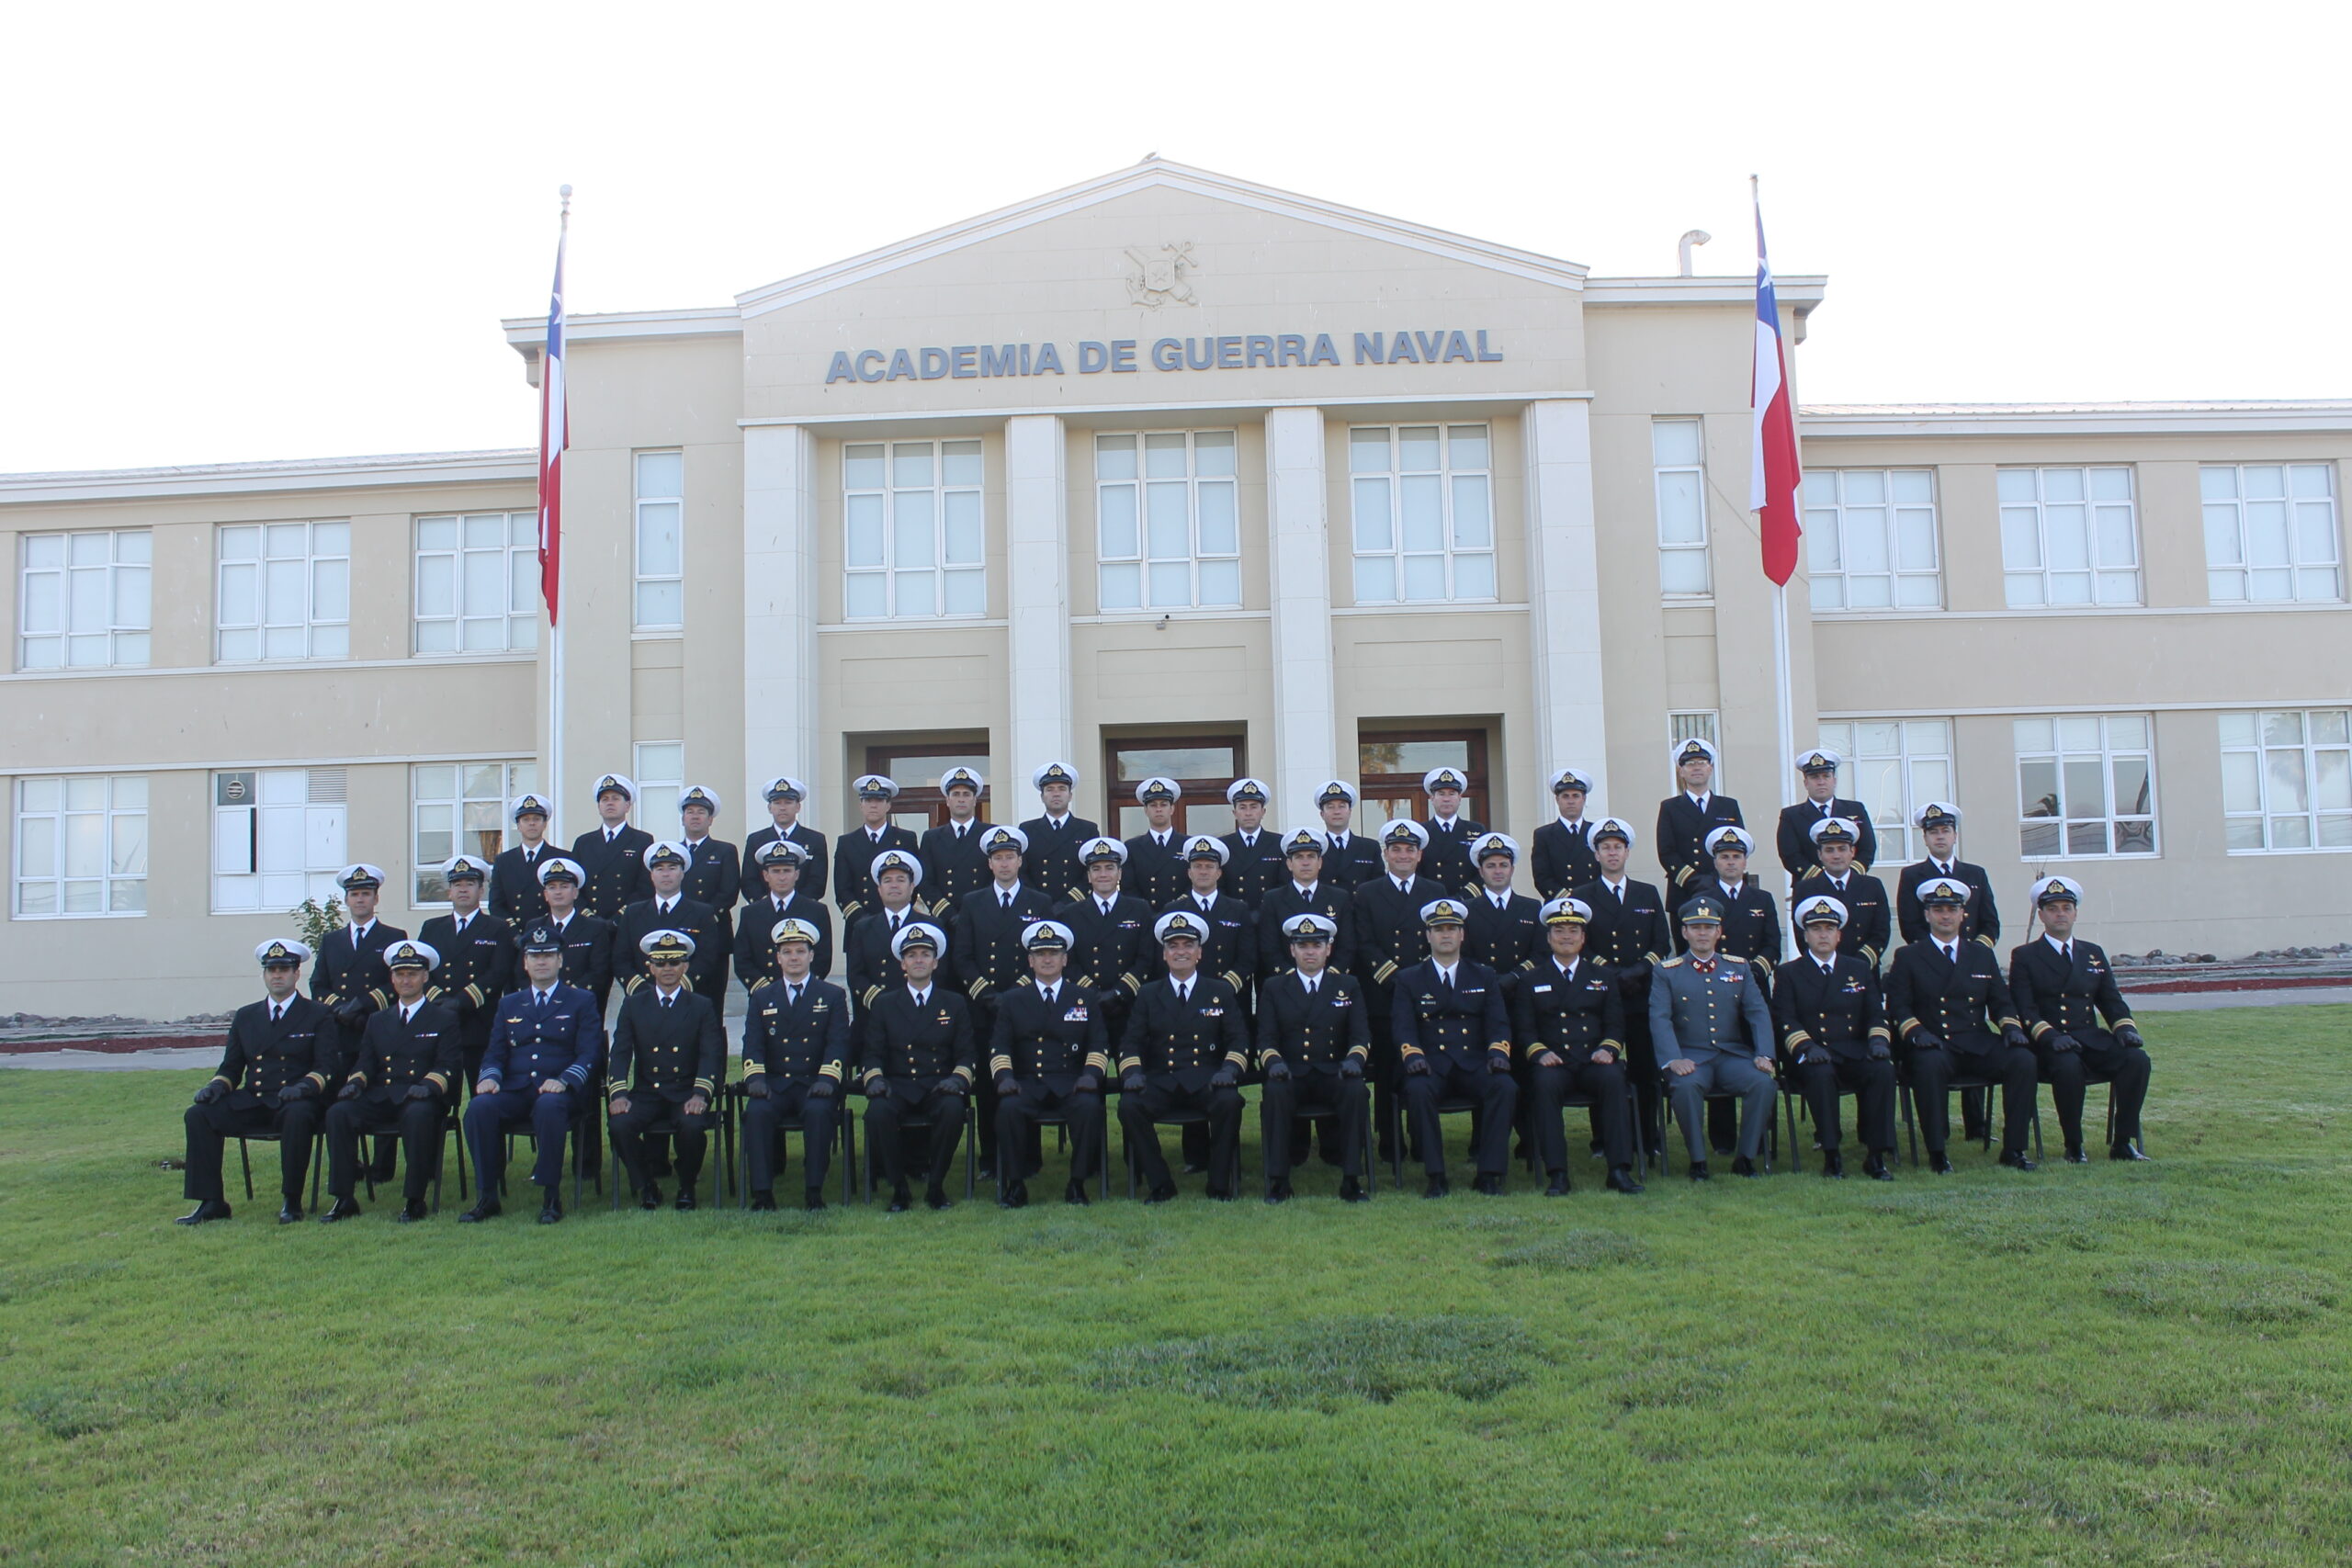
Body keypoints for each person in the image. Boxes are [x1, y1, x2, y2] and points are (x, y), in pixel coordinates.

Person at [1884, 876, 2040, 1172]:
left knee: (2023, 1060)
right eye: (1938, 909)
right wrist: (1916, 1033)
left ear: (1962, 914)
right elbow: (1899, 1007)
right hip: (1934, 1042)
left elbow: (1999, 1002)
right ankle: (1937, 1152)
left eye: (1952, 910)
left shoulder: (1981, 954)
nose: (1945, 916)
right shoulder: (1908, 956)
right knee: (1928, 1065)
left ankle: (2014, 1148)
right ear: (1927, 914)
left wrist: (2011, 1028)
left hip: (1975, 1040)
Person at [178, 939, 334, 1225]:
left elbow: (326, 1067)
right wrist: (217, 1085)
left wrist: (304, 1086)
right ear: (264, 974)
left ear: (297, 974)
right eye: (272, 969)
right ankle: (211, 1202)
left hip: (296, 1098)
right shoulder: (247, 1016)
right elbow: (232, 1066)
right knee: (199, 1115)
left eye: (284, 970)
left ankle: (291, 1200)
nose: (277, 975)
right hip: (256, 1097)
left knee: (298, 1115)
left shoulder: (318, 1014)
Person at [459, 922, 604, 1224]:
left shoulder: (581, 1000)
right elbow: (496, 1051)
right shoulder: (509, 1003)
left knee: (549, 1107)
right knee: (479, 1108)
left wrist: (564, 1080)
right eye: (534, 956)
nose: (541, 961)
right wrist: (490, 1077)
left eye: (548, 955)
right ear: (524, 962)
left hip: (560, 1092)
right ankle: (487, 1196)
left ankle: (551, 1197)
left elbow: (589, 1052)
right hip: (516, 1090)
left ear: (560, 961)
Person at [2007, 876, 2153, 1163]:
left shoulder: (2092, 953)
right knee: (2068, 1066)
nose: (2060, 913)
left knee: (2137, 1060)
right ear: (2041, 915)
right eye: (2053, 909)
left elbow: (2111, 1000)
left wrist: (2125, 1028)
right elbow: (2025, 1008)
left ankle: (2123, 1142)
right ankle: (2074, 1145)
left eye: (2066, 907)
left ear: (2075, 913)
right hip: (2049, 1042)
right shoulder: (2025, 956)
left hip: (2089, 1037)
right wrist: (2049, 1037)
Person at [320, 940, 458, 1223]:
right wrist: (356, 1083)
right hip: (383, 1095)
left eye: (412, 974)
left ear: (425, 977)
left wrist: (430, 1086)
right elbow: (366, 1062)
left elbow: (448, 1065)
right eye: (400, 974)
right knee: (338, 1113)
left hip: (421, 1096)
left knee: (418, 1115)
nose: (405, 980)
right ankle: (344, 1198)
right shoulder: (378, 1019)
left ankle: (414, 1199)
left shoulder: (443, 1018)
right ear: (392, 978)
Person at [1512, 898, 1643, 1197]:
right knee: (1543, 1087)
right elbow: (1525, 1028)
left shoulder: (1603, 977)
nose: (1566, 937)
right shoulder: (1531, 978)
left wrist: (1609, 1049)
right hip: (1553, 1061)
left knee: (1613, 1079)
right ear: (1548, 938)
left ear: (1583, 938)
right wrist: (1538, 1052)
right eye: (1560, 931)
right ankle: (1557, 1173)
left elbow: (1615, 1024)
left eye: (1573, 931)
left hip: (1592, 1059)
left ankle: (1619, 1170)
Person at [1115, 911, 1249, 1201]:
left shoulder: (1220, 991)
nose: (1181, 952)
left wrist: (1229, 1069)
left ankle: (1218, 1184)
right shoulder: (1149, 993)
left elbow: (1238, 1038)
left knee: (1229, 1102)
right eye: (1173, 946)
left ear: (1199, 952)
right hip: (1162, 1080)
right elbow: (1131, 1041)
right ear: (1164, 954)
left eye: (1188, 945)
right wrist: (1132, 1073)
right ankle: (1160, 1183)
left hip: (1206, 1079)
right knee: (1129, 1106)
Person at [1894, 801, 2005, 1142]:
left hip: (1971, 968)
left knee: (1972, 1031)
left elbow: (1990, 922)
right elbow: (1911, 925)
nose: (1939, 836)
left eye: (1945, 830)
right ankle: (1937, 1132)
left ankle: (1977, 1126)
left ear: (1955, 835)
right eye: (1933, 832)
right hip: (1929, 966)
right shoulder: (1912, 876)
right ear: (1924, 839)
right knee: (1940, 1047)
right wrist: (1936, 955)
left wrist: (1973, 956)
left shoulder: (1975, 874)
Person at [1391, 897, 1517, 1196]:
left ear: (1462, 935)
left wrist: (1498, 1052)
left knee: (1506, 1087)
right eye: (1439, 929)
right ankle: (1436, 1175)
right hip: (1431, 1064)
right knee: (1418, 1091)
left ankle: (1488, 1173)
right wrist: (1413, 1055)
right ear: (1427, 936)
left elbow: (1497, 1022)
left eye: (1452, 929)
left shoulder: (1483, 975)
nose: (1445, 935)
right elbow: (1403, 1025)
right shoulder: (1409, 978)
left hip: (1474, 1063)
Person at [1649, 897, 1778, 1180]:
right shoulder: (1666, 972)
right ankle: (1698, 1161)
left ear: (1719, 932)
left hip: (1731, 1056)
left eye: (1709, 927)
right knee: (1684, 1088)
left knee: (1762, 1084)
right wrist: (1672, 1059)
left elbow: (1757, 1012)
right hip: (1691, 1057)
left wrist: (1765, 1054)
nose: (1703, 933)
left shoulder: (1739, 968)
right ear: (1684, 933)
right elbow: (1659, 1019)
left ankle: (1745, 1158)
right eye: (1696, 928)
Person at [954, 823, 1051, 1179]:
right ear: (989, 865)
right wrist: (985, 992)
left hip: (1026, 1005)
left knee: (1029, 1076)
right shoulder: (973, 902)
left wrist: (1018, 991)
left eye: (1010, 856)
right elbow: (962, 956)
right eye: (998, 858)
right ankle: (990, 1158)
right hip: (984, 1008)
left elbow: (1045, 953)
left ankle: (1030, 1157)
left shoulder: (1040, 902)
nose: (1005, 863)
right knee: (989, 1087)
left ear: (1020, 861)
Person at [988, 919, 1109, 1207]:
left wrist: (1092, 1074)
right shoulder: (1012, 1000)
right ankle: (1016, 1184)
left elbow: (1099, 1043)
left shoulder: (1085, 998)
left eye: (1053, 954)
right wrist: (1004, 1078)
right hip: (1028, 1082)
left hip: (1070, 1082)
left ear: (1065, 959)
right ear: (1030, 960)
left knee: (1090, 1107)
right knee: (1007, 1109)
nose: (1047, 959)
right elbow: (999, 1046)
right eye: (1040, 954)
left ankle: (1077, 1183)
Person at [1775, 896, 1897, 1180]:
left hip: (1852, 1050)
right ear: (1805, 935)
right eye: (1816, 929)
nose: (1823, 935)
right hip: (1812, 1055)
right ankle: (1832, 1154)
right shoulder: (1789, 973)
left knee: (1882, 1070)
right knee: (1821, 1074)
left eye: (1829, 929)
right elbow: (1784, 1018)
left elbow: (1875, 1014)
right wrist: (1805, 1046)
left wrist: (1879, 1041)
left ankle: (1876, 1154)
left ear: (1839, 934)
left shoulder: (1857, 969)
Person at [1253, 913, 1373, 1202]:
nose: (1310, 952)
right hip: (1291, 1072)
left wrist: (1355, 1061)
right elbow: (1266, 1039)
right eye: (1303, 946)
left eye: (1316, 945)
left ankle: (1351, 1179)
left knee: (1356, 1091)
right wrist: (1273, 1063)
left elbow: (1361, 1037)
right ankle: (1279, 1181)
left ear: (1328, 949)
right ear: (1292, 950)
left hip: (1334, 1071)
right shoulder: (1274, 987)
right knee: (1275, 1092)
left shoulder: (1348, 985)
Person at [858, 922, 976, 1212]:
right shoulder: (885, 1004)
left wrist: (958, 1081)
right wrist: (874, 1080)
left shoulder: (954, 1002)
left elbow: (966, 1053)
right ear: (902, 964)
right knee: (877, 1112)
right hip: (897, 1085)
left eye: (925, 954)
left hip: (938, 1084)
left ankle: (935, 1186)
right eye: (912, 955)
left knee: (952, 1109)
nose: (919, 960)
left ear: (936, 962)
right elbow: (871, 1054)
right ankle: (899, 1188)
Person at [1573, 818, 1672, 1159]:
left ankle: (1650, 1136)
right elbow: (1578, 945)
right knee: (1602, 1068)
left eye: (1618, 847)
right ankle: (1602, 1138)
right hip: (1600, 993)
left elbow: (1662, 942)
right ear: (1596, 854)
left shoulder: (1647, 893)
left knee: (1646, 1070)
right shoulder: (1582, 896)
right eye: (1605, 848)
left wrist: (1640, 968)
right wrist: (1611, 971)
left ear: (1627, 851)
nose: (1612, 853)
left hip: (1642, 993)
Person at [605, 929, 725, 1209]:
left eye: (674, 962)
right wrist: (618, 1094)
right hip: (648, 1092)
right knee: (620, 1125)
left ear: (685, 966)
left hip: (685, 1091)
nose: (668, 969)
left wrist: (701, 1094)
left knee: (693, 1126)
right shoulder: (634, 1005)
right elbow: (620, 1052)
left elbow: (711, 1054)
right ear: (650, 967)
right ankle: (645, 1184)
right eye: (661, 963)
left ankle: (686, 1185)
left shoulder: (701, 1005)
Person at [740, 917, 851, 1211]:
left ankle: (814, 1191)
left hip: (814, 1084)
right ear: (777, 957)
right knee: (757, 1113)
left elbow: (838, 1043)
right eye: (787, 952)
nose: (794, 958)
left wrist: (828, 1079)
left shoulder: (832, 996)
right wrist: (755, 1078)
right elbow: (753, 1044)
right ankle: (763, 1194)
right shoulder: (762, 997)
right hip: (774, 1085)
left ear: (811, 955)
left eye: (800, 951)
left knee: (818, 1113)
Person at [310, 863, 405, 1182]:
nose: (360, 900)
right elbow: (318, 984)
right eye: (354, 894)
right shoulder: (332, 941)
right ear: (346, 900)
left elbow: (397, 982)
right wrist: (339, 1008)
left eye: (366, 894)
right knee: (341, 1097)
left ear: (376, 899)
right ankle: (348, 1165)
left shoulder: (393, 937)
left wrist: (362, 1005)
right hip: (341, 1032)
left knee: (383, 1089)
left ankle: (382, 1167)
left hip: (376, 1027)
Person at [1350, 819, 1436, 1163]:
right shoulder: (1368, 892)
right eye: (1396, 849)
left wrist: (1416, 980)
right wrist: (1394, 977)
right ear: (1385, 854)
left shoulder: (1435, 891)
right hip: (1382, 996)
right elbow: (1364, 942)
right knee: (1386, 1073)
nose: (1403, 855)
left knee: (1421, 1070)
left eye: (1409, 850)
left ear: (1419, 855)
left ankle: (1421, 1139)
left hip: (1424, 996)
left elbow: (1441, 939)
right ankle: (1389, 1142)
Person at [418, 855, 514, 1092]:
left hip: (479, 1021)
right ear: (449, 891)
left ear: (481, 890)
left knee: (482, 1094)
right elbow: (421, 970)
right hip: (439, 1020)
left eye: (470, 884)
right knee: (436, 1096)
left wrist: (460, 1002)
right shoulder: (432, 928)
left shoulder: (498, 928)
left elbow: (499, 972)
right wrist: (439, 999)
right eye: (457, 885)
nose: (463, 890)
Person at [1054, 837, 1155, 1030]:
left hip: (1129, 1001)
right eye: (1096, 869)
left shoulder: (1139, 909)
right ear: (1089, 876)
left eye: (1109, 868)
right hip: (1086, 1003)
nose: (1103, 874)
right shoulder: (1071, 913)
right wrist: (1092, 992)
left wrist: (1120, 992)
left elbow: (1146, 958)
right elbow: (1068, 961)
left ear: (1120, 874)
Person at [614, 841, 726, 997]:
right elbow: (621, 958)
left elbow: (707, 957)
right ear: (651, 875)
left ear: (682, 873)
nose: (666, 874)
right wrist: (640, 989)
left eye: (672, 868)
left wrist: (680, 987)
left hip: (688, 998)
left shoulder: (702, 913)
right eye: (659, 869)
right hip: (641, 998)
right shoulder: (633, 913)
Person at [1158, 835, 1256, 993]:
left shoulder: (1238, 910)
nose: (1203, 872)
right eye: (1197, 866)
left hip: (1229, 993)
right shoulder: (1173, 911)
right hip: (1188, 993)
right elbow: (1164, 959)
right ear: (1189, 872)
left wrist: (1226, 987)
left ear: (1219, 873)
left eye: (1209, 866)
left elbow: (1248, 958)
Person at [732, 840, 834, 993]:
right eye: (776, 871)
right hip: (763, 996)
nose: (782, 877)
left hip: (804, 993)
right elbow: (742, 959)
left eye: (787, 871)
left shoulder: (816, 911)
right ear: (766, 875)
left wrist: (800, 986)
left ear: (797, 874)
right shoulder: (750, 913)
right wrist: (765, 990)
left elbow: (822, 958)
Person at [1256, 827, 1357, 980]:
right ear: (1289, 864)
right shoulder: (1273, 899)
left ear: (1320, 862)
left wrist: (1330, 977)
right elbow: (1269, 948)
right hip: (1287, 984)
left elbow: (1347, 946)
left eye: (1311, 856)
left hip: (1331, 983)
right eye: (1299, 857)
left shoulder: (1339, 898)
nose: (1305, 863)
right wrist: (1294, 978)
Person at [1789, 818, 1892, 964]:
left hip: (1864, 969)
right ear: (1819, 855)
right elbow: (1802, 936)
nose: (1836, 856)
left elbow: (1881, 933)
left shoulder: (1872, 886)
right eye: (1829, 850)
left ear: (1853, 852)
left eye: (1842, 849)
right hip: (1823, 971)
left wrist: (1859, 964)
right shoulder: (1805, 889)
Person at [1655, 738, 1743, 897]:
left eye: (1702, 762)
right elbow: (1666, 852)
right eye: (1690, 763)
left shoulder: (1729, 806)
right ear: (1681, 771)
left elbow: (1739, 846)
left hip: (1722, 887)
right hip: (1684, 889)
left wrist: (1721, 879)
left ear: (1711, 768)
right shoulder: (1670, 808)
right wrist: (1693, 880)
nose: (1696, 768)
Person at [844, 849, 929, 1010]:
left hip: (919, 1010)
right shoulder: (863, 928)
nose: (894, 885)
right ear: (879, 889)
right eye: (887, 880)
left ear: (912, 887)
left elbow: (941, 974)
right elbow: (856, 976)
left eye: (901, 879)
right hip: (875, 1013)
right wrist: (881, 1003)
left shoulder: (930, 926)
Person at [1776, 748, 1878, 879]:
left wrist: (1848, 876)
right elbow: (1790, 855)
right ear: (1806, 783)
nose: (1821, 782)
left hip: (1851, 884)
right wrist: (1824, 879)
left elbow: (1868, 848)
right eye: (1814, 777)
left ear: (1834, 781)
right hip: (1810, 885)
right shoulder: (1791, 816)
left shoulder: (1855, 810)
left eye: (1826, 776)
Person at [831, 775, 919, 927]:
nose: (873, 805)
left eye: (879, 800)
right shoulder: (846, 842)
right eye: (868, 800)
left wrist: (898, 914)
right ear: (861, 805)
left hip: (898, 922)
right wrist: (861, 920)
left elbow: (914, 882)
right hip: (858, 924)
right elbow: (842, 889)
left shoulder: (905, 839)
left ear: (888, 805)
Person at [1462, 831, 1544, 990]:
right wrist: (1487, 977)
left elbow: (1541, 953)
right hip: (1482, 988)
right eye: (1491, 866)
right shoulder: (1467, 909)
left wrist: (1515, 976)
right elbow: (1464, 955)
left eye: (1503, 865)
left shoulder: (1532, 908)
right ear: (1481, 872)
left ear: (1512, 870)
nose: (1498, 871)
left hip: (1522, 988)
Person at [534, 857, 615, 1012]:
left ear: (575, 893)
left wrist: (565, 996)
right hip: (541, 1006)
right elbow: (523, 970)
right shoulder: (536, 926)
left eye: (564, 886)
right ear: (545, 894)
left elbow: (599, 972)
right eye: (552, 887)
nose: (558, 892)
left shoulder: (595, 928)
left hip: (580, 1005)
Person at [570, 773, 652, 919]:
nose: (610, 803)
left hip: (626, 920)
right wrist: (588, 915)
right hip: (590, 922)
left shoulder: (642, 840)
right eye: (604, 799)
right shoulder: (584, 843)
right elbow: (573, 885)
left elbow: (645, 888)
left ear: (627, 806)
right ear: (599, 807)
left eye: (615, 799)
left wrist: (619, 917)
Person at [1019, 761, 1098, 906]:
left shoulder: (1088, 830)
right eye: (1049, 789)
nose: (1056, 794)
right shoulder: (1027, 830)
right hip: (1037, 906)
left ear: (1070, 795)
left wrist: (1067, 903)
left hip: (1075, 906)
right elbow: (1021, 872)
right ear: (1042, 797)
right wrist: (1039, 901)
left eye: (1062, 788)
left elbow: (1090, 873)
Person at [742, 776, 829, 906]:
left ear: (798, 807)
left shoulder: (815, 839)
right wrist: (769, 905)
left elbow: (817, 881)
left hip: (804, 910)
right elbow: (749, 880)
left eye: (788, 802)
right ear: (769, 808)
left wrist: (796, 905)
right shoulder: (756, 840)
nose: (782, 808)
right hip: (764, 909)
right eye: (777, 803)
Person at [673, 784, 741, 947]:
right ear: (683, 819)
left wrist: (705, 917)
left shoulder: (725, 850)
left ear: (710, 819)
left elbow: (729, 891)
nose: (695, 817)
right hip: (678, 926)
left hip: (714, 925)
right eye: (690, 812)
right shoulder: (673, 852)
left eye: (701, 812)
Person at [918, 766, 992, 915]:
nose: (961, 799)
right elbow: (925, 881)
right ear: (947, 800)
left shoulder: (990, 834)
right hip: (945, 918)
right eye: (956, 794)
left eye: (966, 794)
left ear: (975, 800)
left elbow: (998, 877)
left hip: (982, 914)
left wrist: (980, 909)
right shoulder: (931, 838)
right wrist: (946, 913)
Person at [488, 792, 558, 929]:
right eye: (526, 819)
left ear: (545, 824)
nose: (531, 823)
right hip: (514, 934)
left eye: (537, 819)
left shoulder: (560, 859)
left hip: (550, 931)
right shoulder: (504, 861)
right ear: (518, 826)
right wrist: (513, 930)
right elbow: (496, 904)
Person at [1531, 767, 1601, 899]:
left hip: (1592, 903)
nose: (1571, 801)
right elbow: (1542, 877)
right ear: (1557, 800)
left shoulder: (1596, 832)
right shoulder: (1544, 835)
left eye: (1576, 796)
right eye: (1565, 796)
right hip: (1560, 904)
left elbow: (1603, 871)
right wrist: (1566, 898)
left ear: (1584, 799)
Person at [1417, 765, 1487, 894]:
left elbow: (1484, 868)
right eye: (1441, 794)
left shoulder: (1476, 831)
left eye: (1452, 793)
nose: (1446, 799)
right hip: (1431, 900)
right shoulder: (1421, 831)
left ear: (1460, 798)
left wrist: (1465, 896)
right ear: (1431, 798)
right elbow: (1415, 870)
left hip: (1467, 902)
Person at [1218, 778, 1287, 908]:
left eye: (1254, 807)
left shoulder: (1279, 844)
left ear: (1263, 812)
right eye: (1242, 807)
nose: (1248, 813)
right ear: (1234, 813)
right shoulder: (1222, 845)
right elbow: (1219, 887)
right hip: (1234, 916)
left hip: (1268, 915)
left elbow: (1284, 885)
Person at [1122, 777, 1189, 907]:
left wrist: (1177, 905)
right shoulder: (1132, 847)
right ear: (1146, 810)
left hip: (1181, 912)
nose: (1158, 809)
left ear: (1172, 809)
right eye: (1153, 805)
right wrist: (1145, 911)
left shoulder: (1187, 844)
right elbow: (1128, 888)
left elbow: (1195, 884)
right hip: (1146, 915)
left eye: (1163, 804)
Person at [1312, 780, 1384, 887]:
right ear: (1322, 814)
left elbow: (1379, 886)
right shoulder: (1315, 848)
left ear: (1350, 812)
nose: (1337, 811)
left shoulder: (1369, 847)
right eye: (1330, 807)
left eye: (1342, 806)